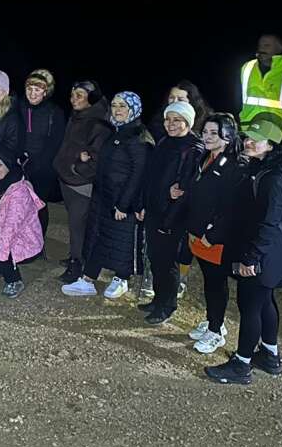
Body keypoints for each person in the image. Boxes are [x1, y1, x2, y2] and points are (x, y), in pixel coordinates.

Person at [205, 113, 282, 385]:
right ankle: (270, 355)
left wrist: (251, 257)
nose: (248, 142)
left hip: (262, 254)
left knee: (250, 306)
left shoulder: (274, 179)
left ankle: (242, 364)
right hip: (270, 254)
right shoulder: (266, 169)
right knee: (264, 303)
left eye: (256, 140)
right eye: (248, 137)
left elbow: (269, 223)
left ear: (271, 145)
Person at [61, 92, 153, 298]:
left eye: (123, 106)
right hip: (105, 198)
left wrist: (124, 204)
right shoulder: (117, 133)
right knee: (99, 238)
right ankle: (87, 280)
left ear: (133, 109)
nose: (118, 110)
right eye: (114, 105)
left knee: (122, 241)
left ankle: (122, 279)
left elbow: (139, 174)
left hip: (122, 202)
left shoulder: (138, 136)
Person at [176, 113, 249, 354]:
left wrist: (213, 235)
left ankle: (216, 331)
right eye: (205, 132)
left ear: (227, 136)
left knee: (216, 284)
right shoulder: (206, 158)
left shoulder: (235, 165)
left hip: (214, 239)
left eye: (213, 133)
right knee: (209, 281)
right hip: (198, 235)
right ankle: (212, 320)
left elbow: (232, 209)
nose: (206, 137)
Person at [137, 101, 205, 324]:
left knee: (169, 262)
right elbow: (151, 178)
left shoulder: (193, 148)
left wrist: (170, 213)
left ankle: (168, 305)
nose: (171, 124)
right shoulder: (165, 142)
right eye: (168, 119)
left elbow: (187, 188)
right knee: (156, 258)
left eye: (177, 120)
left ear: (187, 122)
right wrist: (144, 204)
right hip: (156, 209)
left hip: (174, 217)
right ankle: (158, 299)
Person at [53, 81, 112, 283]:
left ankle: (77, 266)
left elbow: (97, 160)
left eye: (79, 95)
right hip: (68, 181)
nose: (73, 99)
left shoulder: (98, 123)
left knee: (78, 226)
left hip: (81, 185)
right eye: (72, 94)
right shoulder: (78, 116)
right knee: (74, 225)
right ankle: (74, 256)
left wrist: (76, 169)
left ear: (92, 98)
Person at [0, 150, 45, 298]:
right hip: (0, 230)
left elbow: (10, 230)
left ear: (9, 166)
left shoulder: (19, 193)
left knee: (2, 248)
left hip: (22, 239)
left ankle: (13, 279)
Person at [18, 69, 67, 238]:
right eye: (29, 89)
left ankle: (37, 244)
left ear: (45, 92)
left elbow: (55, 143)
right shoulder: (19, 107)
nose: (32, 93)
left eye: (37, 90)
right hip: (19, 165)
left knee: (38, 206)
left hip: (42, 170)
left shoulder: (55, 113)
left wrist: (36, 165)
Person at [239, 34, 282, 142]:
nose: (261, 49)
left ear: (279, 48)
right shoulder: (247, 67)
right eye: (260, 45)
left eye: (267, 45)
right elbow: (236, 98)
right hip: (249, 134)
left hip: (279, 137)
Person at [149, 80, 213, 142]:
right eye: (172, 98)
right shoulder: (159, 120)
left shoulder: (207, 121)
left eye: (180, 99)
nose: (175, 102)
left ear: (192, 101)